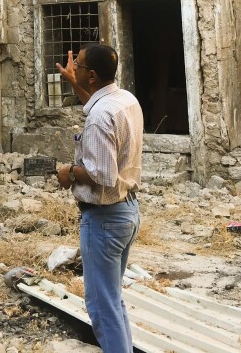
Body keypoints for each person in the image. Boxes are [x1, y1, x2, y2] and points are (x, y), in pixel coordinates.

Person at [54, 43, 143, 353]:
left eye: (77, 65)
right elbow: (95, 104)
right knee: (110, 298)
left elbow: (103, 174)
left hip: (104, 219)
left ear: (92, 75)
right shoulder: (123, 100)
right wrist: (73, 82)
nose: (73, 66)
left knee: (101, 305)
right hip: (127, 211)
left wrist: (71, 173)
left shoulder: (99, 117)